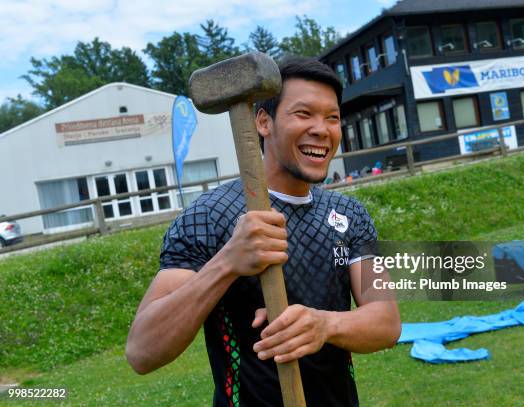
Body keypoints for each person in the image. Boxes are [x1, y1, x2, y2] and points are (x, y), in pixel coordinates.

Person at [125, 56, 400, 406]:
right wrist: (227, 262)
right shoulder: (208, 216)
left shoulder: (348, 213)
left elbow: (386, 322)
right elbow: (142, 352)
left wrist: (323, 325)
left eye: (332, 117)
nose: (322, 129)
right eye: (303, 114)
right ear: (264, 121)